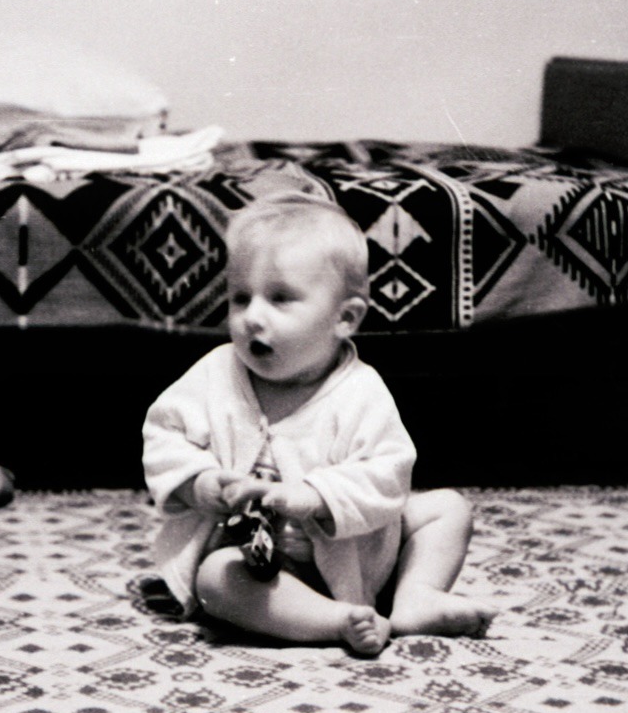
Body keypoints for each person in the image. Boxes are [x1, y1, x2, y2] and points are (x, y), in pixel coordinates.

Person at [142, 193, 495, 655]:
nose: (252, 317)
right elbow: (164, 434)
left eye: (280, 298)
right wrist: (198, 481)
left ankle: (415, 596)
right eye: (240, 298)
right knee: (215, 579)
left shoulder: (360, 391)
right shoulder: (216, 373)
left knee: (447, 509)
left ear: (344, 317)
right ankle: (335, 620)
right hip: (260, 567)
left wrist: (316, 496)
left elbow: (389, 473)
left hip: (358, 552)